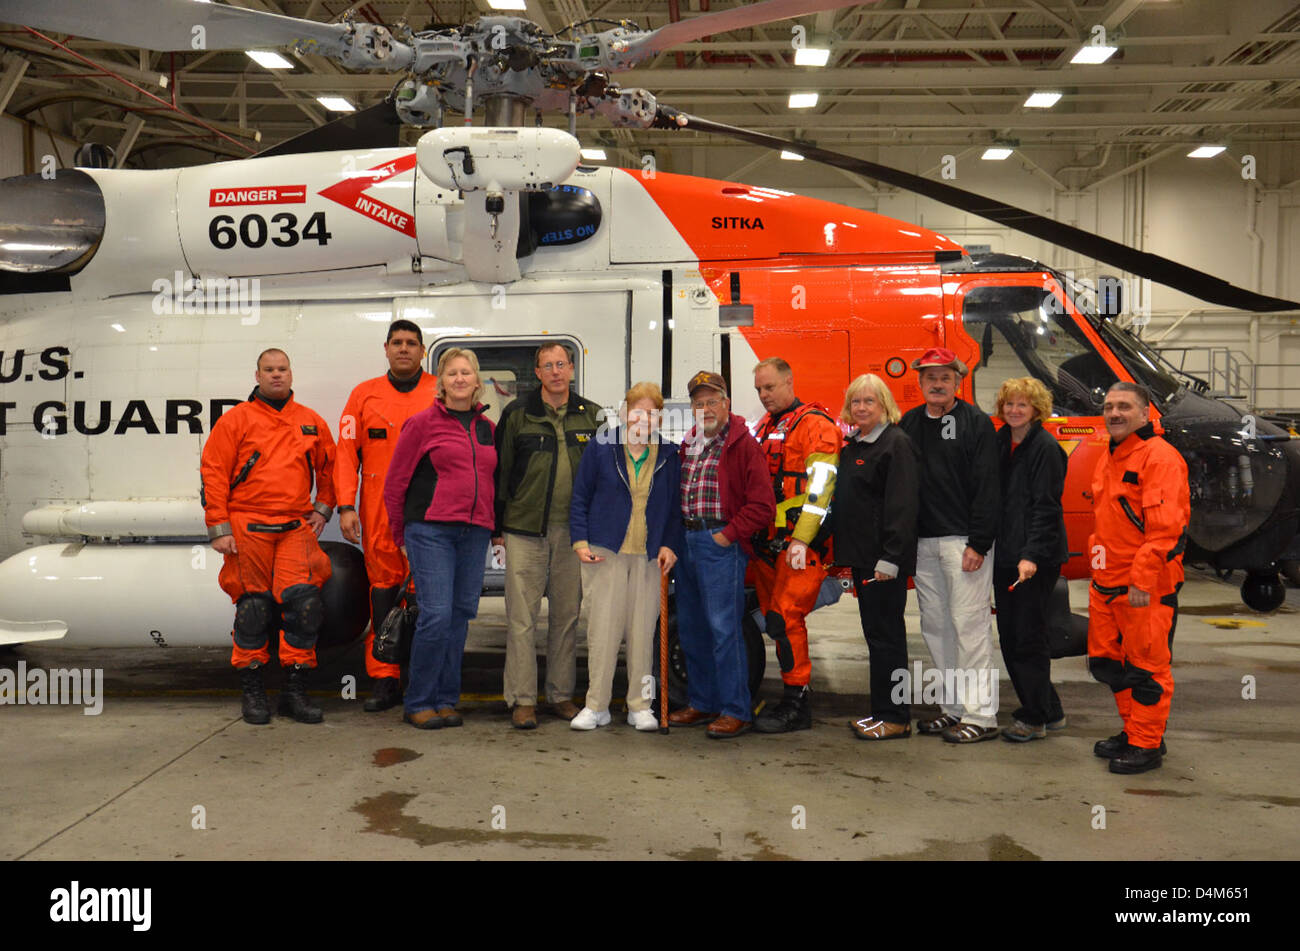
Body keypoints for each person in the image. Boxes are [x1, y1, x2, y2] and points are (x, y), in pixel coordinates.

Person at [201, 348, 336, 725]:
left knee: (306, 608)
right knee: (253, 610)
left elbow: (331, 469)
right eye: (269, 370)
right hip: (248, 527)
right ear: (257, 375)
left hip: (295, 527)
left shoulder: (310, 421)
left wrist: (323, 508)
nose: (277, 375)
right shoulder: (236, 421)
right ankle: (253, 689)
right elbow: (212, 471)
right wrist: (219, 527)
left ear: (292, 375)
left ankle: (295, 690)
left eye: (283, 369)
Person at [383, 348, 497, 729]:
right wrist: (400, 532)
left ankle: (447, 700)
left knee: (460, 616)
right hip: (430, 530)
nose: (460, 379)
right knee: (435, 615)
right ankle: (418, 700)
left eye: (466, 372)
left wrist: (492, 528)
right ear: (441, 382)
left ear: (477, 381)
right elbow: (395, 483)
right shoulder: (421, 424)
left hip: (474, 532)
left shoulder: (487, 428)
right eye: (452, 374)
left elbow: (493, 481)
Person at [493, 342, 602, 729]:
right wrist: (497, 529)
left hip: (574, 535)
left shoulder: (592, 416)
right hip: (524, 531)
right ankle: (522, 699)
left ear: (572, 368)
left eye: (561, 364)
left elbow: (603, 480)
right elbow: (500, 473)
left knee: (566, 617)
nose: (556, 371)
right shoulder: (518, 414)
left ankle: (559, 695)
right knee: (521, 618)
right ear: (537, 373)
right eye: (547, 366)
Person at [898, 347, 1001, 743]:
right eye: (929, 377)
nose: (937, 383)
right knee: (937, 628)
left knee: (969, 628)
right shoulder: (909, 423)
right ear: (920, 383)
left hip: (964, 545)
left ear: (958, 381)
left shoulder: (975, 423)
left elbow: (988, 487)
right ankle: (953, 708)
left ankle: (982, 715)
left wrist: (979, 542)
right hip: (924, 545)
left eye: (945, 377)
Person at [1087, 381, 1190, 774]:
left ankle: (1147, 743)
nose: (1114, 413)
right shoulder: (1112, 454)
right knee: (1109, 665)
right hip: (1106, 583)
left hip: (1143, 588)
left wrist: (1142, 583)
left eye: (1125, 407)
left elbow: (1166, 531)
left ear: (1145, 413)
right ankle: (1133, 732)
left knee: (1147, 669)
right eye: (1109, 405)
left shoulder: (1159, 458)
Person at [568, 382, 683, 731]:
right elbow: (580, 497)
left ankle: (640, 706)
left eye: (651, 413)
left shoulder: (669, 453)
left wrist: (670, 544)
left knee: (642, 632)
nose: (643, 418)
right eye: (637, 411)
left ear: (659, 418)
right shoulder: (601, 448)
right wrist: (580, 541)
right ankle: (596, 706)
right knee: (602, 632)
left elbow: (676, 508)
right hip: (606, 552)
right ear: (623, 412)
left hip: (649, 557)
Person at [335, 319, 437, 712]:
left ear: (423, 351)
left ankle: (419, 678)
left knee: (425, 598)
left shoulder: (438, 392)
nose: (404, 349)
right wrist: (346, 506)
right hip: (377, 511)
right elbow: (346, 455)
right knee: (383, 594)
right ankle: (384, 679)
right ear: (386, 348)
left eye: (412, 343)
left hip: (428, 510)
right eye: (397, 342)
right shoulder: (363, 395)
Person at [668, 371, 775, 739]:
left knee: (723, 630)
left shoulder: (744, 445)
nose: (706, 408)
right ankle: (702, 701)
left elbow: (763, 506)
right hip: (687, 544)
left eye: (713, 401)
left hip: (719, 547)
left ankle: (735, 710)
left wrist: (727, 536)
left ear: (727, 404)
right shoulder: (690, 442)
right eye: (699, 403)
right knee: (693, 630)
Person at [749, 357, 841, 733]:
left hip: (799, 547)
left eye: (769, 387)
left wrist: (802, 539)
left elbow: (822, 490)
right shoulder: (766, 426)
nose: (764, 395)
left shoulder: (815, 427)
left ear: (789, 382)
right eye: (758, 390)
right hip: (769, 546)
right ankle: (791, 695)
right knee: (775, 622)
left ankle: (797, 703)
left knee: (786, 620)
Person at [835, 374, 921, 740]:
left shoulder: (895, 444)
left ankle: (896, 717)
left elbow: (902, 506)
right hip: (862, 559)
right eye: (856, 402)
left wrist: (891, 558)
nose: (862, 408)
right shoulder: (854, 446)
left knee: (888, 639)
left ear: (884, 404)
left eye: (869, 401)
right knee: (876, 638)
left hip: (882, 563)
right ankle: (880, 712)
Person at [992, 377, 1069, 742]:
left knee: (1026, 638)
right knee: (1012, 635)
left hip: (1032, 559)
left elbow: (1046, 509)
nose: (1014, 410)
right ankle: (1049, 710)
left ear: (1036, 409)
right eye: (1009, 404)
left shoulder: (1045, 448)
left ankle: (1033, 717)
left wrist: (1031, 556)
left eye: (1022, 404)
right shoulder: (1003, 442)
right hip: (1008, 554)